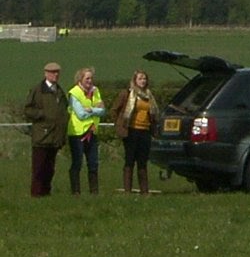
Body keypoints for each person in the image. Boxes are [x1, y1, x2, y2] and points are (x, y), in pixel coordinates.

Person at [110, 70, 160, 195]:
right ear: (134, 80)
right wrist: (119, 125)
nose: (143, 81)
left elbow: (153, 114)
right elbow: (114, 110)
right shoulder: (127, 94)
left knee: (142, 162)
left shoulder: (149, 96)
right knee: (130, 160)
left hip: (145, 131)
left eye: (144, 79)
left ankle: (144, 191)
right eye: (140, 79)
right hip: (131, 131)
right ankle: (127, 190)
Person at [24, 62, 68, 197]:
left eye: (57, 72)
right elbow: (27, 110)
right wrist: (42, 114)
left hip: (55, 136)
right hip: (42, 136)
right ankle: (36, 194)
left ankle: (46, 193)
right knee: (39, 168)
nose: (55, 75)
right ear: (46, 73)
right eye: (53, 72)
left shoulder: (59, 91)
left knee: (50, 168)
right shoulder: (38, 90)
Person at [68, 67, 106, 195]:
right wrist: (95, 109)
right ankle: (76, 192)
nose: (90, 81)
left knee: (93, 163)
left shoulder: (95, 91)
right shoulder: (74, 93)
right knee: (77, 163)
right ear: (80, 79)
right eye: (87, 78)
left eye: (91, 78)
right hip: (77, 134)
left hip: (92, 132)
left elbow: (102, 111)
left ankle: (94, 192)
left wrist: (90, 109)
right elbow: (80, 114)